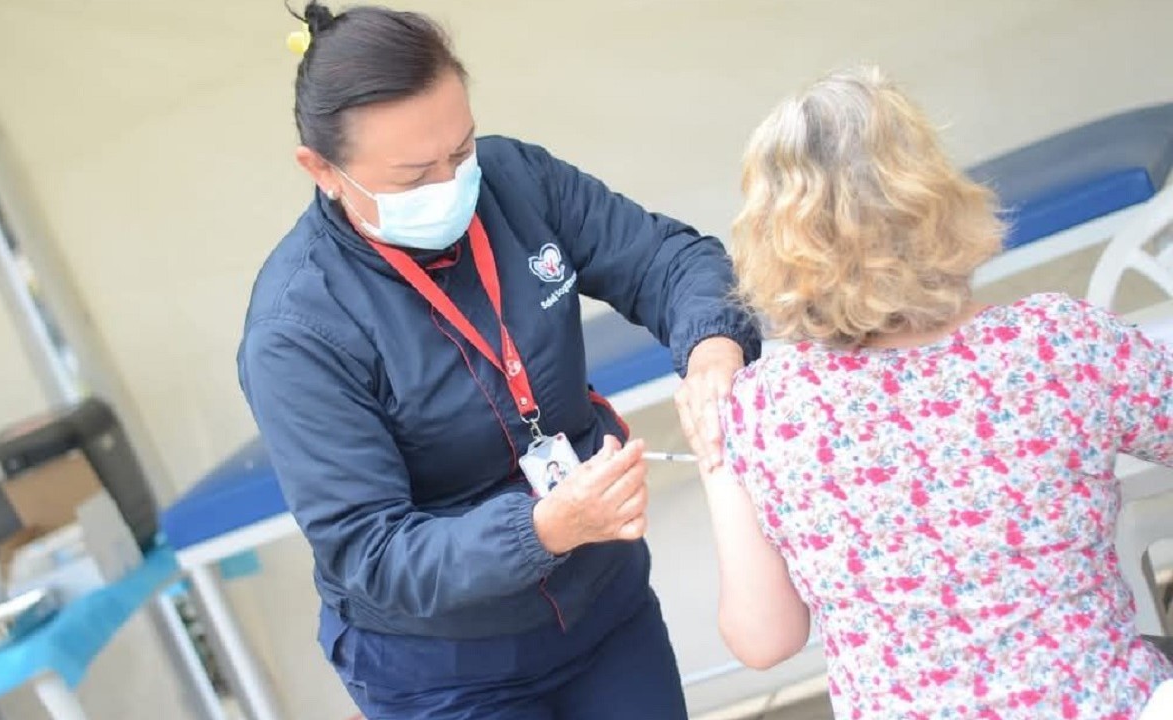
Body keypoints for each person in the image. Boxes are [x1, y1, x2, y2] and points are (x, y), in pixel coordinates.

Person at [237, 3, 758, 717]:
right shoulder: (297, 330)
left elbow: (670, 261)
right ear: (322, 170)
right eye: (414, 175)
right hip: (444, 670)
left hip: (604, 606)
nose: (451, 185)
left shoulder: (516, 178)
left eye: (461, 150)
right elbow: (373, 553)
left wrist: (714, 350)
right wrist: (540, 529)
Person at [704, 66, 1173, 718]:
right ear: (934, 193)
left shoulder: (762, 410)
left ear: (772, 242)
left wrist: (715, 453)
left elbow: (764, 640)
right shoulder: (1057, 342)